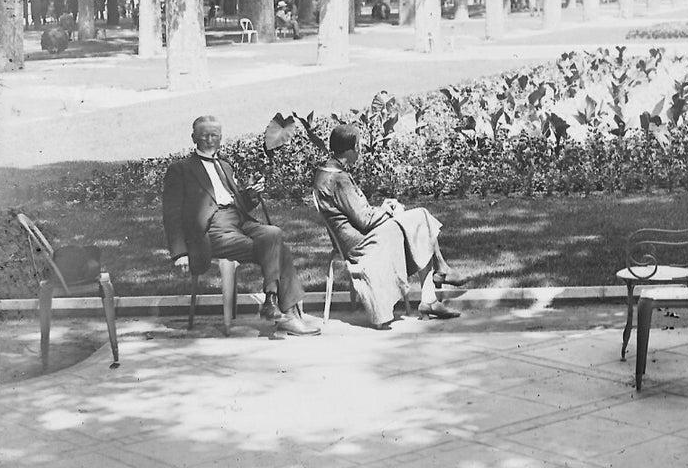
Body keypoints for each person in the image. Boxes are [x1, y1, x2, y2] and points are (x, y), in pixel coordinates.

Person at [162, 115, 322, 335]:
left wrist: (251, 195)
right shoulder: (180, 169)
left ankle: (274, 302)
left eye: (214, 135)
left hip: (239, 222)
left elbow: (240, 205)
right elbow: (171, 213)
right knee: (279, 248)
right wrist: (179, 253)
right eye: (204, 135)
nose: (210, 140)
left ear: (221, 138)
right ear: (193, 138)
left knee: (273, 233)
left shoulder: (225, 166)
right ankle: (284, 311)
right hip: (211, 231)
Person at [312, 124, 465, 328]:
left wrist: (384, 209)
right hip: (360, 242)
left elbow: (355, 212)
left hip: (355, 235)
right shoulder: (339, 179)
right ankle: (436, 281)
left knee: (416, 221)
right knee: (418, 218)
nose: (360, 149)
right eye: (358, 145)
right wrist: (386, 209)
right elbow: (364, 220)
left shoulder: (325, 172)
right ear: (349, 149)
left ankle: (432, 293)